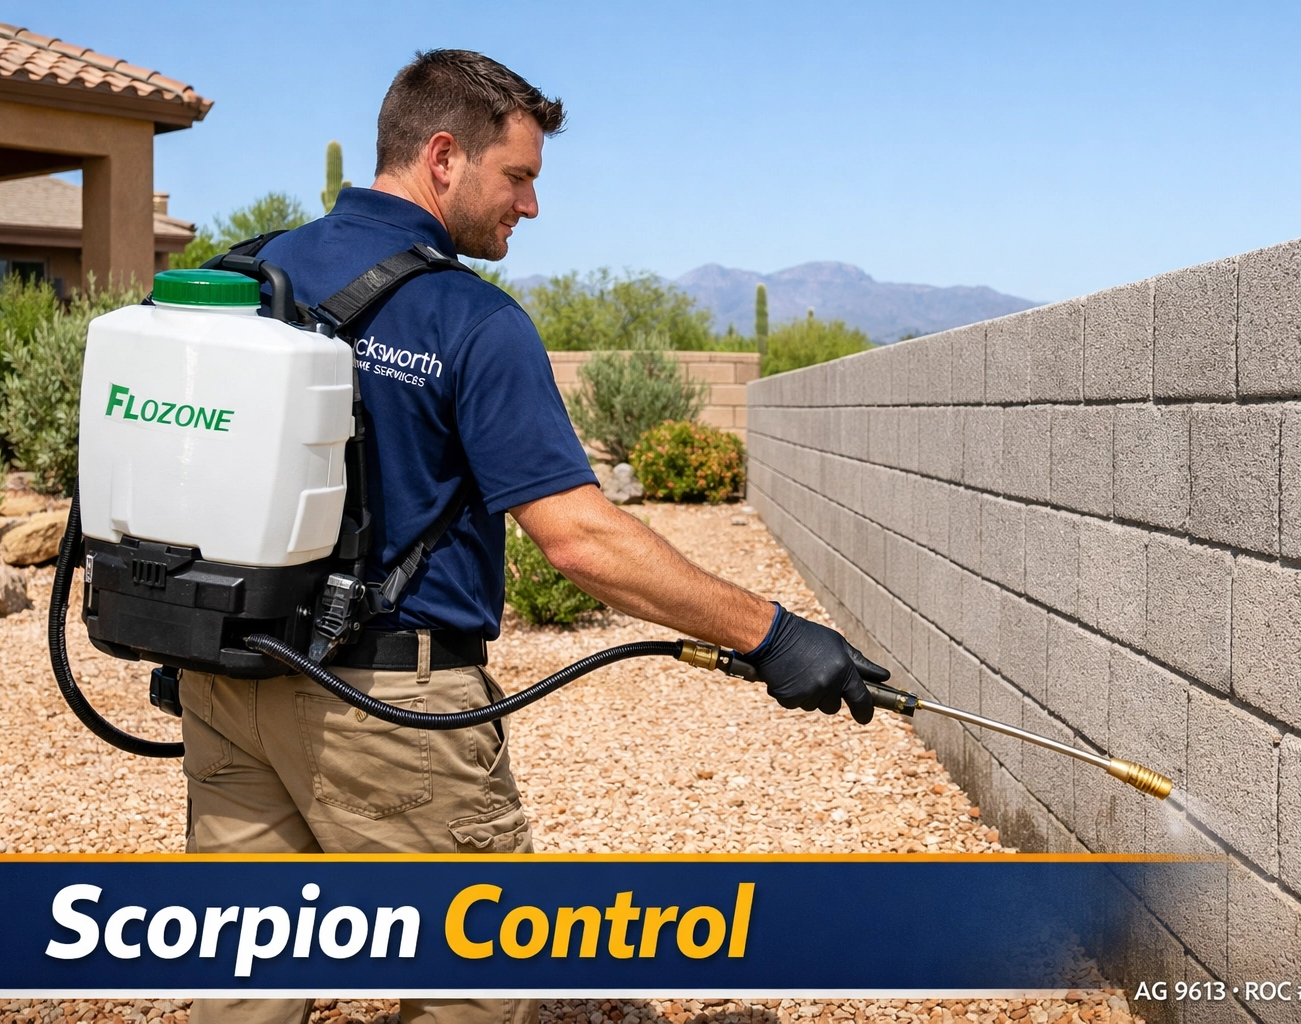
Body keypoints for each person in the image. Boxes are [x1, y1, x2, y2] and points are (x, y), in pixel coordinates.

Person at [182, 49, 886, 1024]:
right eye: (518, 177)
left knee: (243, 982)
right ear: (442, 156)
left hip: (229, 678)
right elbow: (582, 540)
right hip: (388, 708)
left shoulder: (250, 270)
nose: (532, 205)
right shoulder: (469, 317)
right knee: (469, 988)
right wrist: (771, 632)